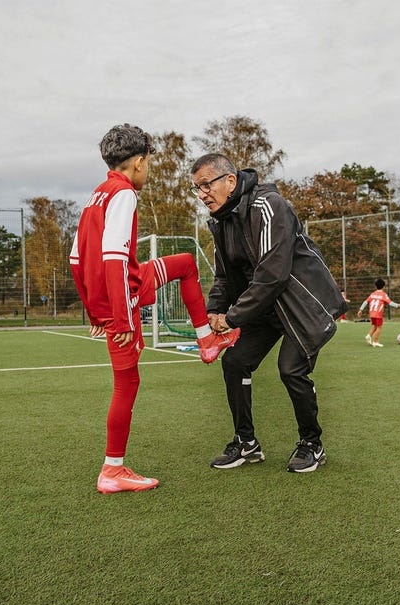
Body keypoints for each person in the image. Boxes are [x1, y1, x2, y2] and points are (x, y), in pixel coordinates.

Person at [70, 125, 241, 494]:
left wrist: (95, 311)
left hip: (128, 283)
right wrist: (117, 317)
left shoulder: (95, 196)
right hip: (125, 294)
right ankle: (112, 470)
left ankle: (206, 341)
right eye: (150, 163)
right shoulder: (124, 194)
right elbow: (113, 257)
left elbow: (75, 259)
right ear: (140, 161)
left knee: (185, 264)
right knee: (127, 382)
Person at [193, 153, 347, 474]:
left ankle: (311, 444)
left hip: (300, 306)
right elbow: (225, 276)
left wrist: (232, 318)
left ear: (230, 181)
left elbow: (272, 274)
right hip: (264, 307)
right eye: (197, 188)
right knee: (235, 362)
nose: (202, 193)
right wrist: (214, 310)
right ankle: (246, 443)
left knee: (290, 369)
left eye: (206, 185)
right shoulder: (222, 223)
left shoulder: (267, 205)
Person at [356, 278, 400, 347]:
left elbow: (365, 302)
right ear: (383, 286)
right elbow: (390, 303)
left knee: (375, 326)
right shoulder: (383, 294)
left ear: (376, 286)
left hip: (372, 313)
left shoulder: (372, 294)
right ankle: (375, 341)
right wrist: (397, 305)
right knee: (379, 327)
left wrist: (360, 309)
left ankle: (368, 336)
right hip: (378, 314)